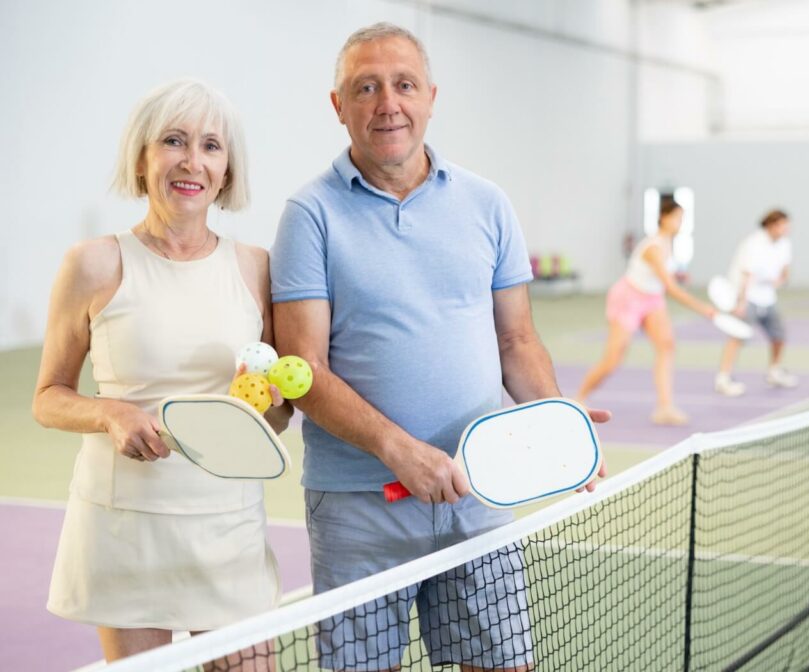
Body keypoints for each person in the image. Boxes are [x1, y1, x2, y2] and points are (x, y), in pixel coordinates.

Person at [270, 22, 608, 671]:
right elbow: (302, 370)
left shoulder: (487, 203)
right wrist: (403, 453)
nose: (386, 103)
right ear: (338, 106)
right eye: (365, 88)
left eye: (403, 84)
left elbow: (517, 338)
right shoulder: (309, 215)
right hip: (358, 509)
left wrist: (557, 423)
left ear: (430, 95)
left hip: (479, 495)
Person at [33, 79, 290, 666]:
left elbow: (273, 419)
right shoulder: (94, 263)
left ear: (227, 170)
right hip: (125, 528)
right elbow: (47, 397)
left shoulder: (255, 268)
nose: (191, 161)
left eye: (210, 146)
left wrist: (272, 402)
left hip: (228, 527)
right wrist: (109, 411)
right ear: (143, 159)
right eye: (173, 141)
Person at [576, 195, 717, 426]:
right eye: (676, 217)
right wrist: (703, 308)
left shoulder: (668, 243)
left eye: (682, 218)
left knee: (667, 345)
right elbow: (671, 288)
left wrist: (677, 275)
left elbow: (663, 278)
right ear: (663, 217)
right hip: (628, 297)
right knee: (613, 359)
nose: (680, 222)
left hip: (652, 299)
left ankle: (664, 407)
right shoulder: (653, 247)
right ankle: (579, 399)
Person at [715, 209, 798, 397]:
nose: (785, 229)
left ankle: (774, 371)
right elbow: (747, 274)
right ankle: (723, 378)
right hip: (747, 297)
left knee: (779, 335)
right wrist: (741, 302)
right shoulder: (753, 244)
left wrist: (782, 279)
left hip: (768, 298)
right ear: (770, 225)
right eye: (781, 225)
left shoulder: (785, 244)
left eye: (787, 225)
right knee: (738, 336)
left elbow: (785, 269)